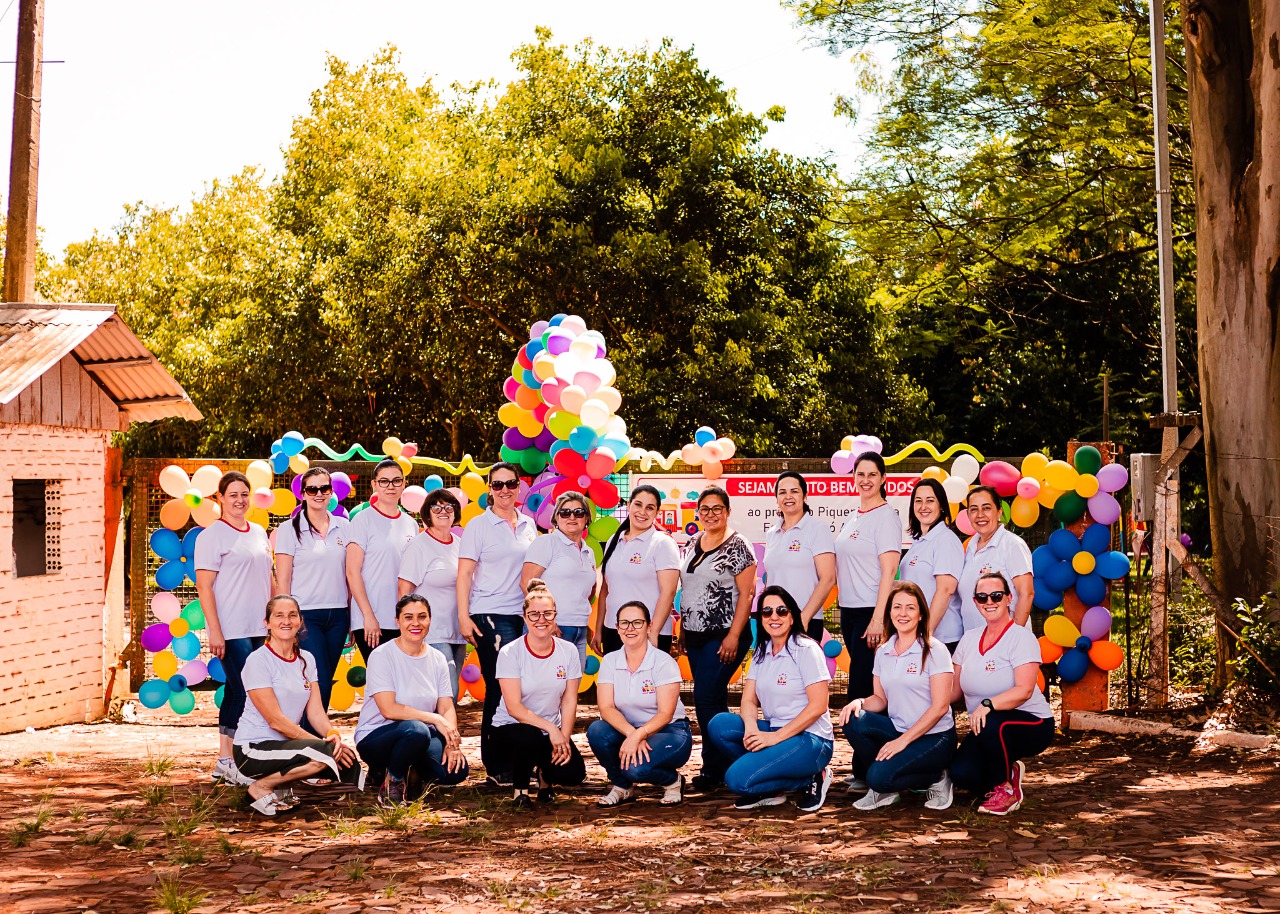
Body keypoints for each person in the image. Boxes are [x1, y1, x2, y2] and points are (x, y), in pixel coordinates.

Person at [705, 586, 835, 812]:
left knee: (737, 780)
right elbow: (748, 701)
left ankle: (813, 778)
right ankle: (770, 785)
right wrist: (751, 728)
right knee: (719, 725)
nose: (774, 617)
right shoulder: (762, 651)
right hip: (774, 730)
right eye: (767, 612)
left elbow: (819, 706)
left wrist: (773, 738)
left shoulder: (806, 649)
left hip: (810, 739)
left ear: (792, 616)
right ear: (761, 618)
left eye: (781, 611)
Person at [233, 596, 360, 816]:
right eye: (279, 615)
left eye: (292, 615)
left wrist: (333, 734)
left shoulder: (307, 659)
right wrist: (320, 744)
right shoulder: (258, 660)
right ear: (267, 623)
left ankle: (282, 786)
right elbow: (276, 721)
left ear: (300, 621)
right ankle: (261, 787)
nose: (286, 621)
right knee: (324, 754)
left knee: (345, 758)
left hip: (284, 747)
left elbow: (315, 711)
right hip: (252, 749)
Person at [840, 581, 957, 811]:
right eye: (897, 607)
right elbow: (880, 700)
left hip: (935, 737)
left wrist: (902, 742)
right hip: (898, 729)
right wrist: (859, 702)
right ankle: (887, 776)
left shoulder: (935, 649)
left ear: (921, 614)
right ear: (889, 612)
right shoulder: (883, 651)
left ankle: (937, 776)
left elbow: (941, 707)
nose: (903, 613)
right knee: (853, 719)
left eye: (911, 608)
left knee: (878, 779)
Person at [457, 462, 539, 786]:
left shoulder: (530, 525)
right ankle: (496, 765)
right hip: (489, 613)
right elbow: (464, 574)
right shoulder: (479, 526)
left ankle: (522, 758)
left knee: (523, 689)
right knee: (499, 687)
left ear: (519, 487)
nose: (505, 489)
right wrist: (464, 616)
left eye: (511, 484)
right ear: (489, 489)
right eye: (498, 484)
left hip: (524, 616)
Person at [950, 572, 1055, 815]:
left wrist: (988, 704)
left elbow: (1025, 690)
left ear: (1009, 598)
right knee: (961, 775)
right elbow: (953, 691)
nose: (990, 601)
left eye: (996, 595)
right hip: (985, 726)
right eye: (982, 597)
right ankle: (1008, 770)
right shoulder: (968, 639)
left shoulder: (1021, 637)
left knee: (991, 722)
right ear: (975, 602)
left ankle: (1006, 791)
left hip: (1033, 724)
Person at [195, 471, 274, 787]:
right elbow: (204, 587)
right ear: (220, 498)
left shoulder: (258, 532)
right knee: (241, 689)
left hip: (260, 627)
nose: (240, 500)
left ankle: (248, 754)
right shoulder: (210, 536)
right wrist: (215, 630)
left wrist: (276, 618)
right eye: (233, 495)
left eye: (245, 494)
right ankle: (225, 760)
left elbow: (267, 579)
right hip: (231, 629)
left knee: (260, 692)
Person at [677, 486, 757, 792]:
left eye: (717, 508)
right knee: (714, 698)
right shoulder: (693, 541)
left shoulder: (739, 546)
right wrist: (684, 627)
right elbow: (689, 589)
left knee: (706, 699)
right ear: (698, 512)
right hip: (696, 635)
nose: (711, 514)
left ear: (727, 511)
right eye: (705, 509)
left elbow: (746, 595)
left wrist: (734, 635)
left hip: (725, 635)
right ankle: (723, 765)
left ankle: (719, 766)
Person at [354, 594, 470, 806]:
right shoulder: (382, 656)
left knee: (456, 771)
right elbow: (389, 710)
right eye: (408, 617)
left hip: (421, 734)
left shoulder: (437, 658)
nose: (415, 623)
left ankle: (410, 769)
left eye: (422, 617)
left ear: (430, 620)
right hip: (377, 737)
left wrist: (452, 744)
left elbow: (446, 706)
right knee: (416, 730)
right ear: (397, 621)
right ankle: (394, 781)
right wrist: (434, 719)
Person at [489, 580, 586, 808]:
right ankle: (520, 791)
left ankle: (545, 779)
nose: (541, 620)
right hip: (510, 729)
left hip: (549, 733)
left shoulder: (568, 650)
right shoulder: (510, 652)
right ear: (524, 617)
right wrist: (551, 728)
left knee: (573, 774)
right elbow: (514, 708)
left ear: (556, 615)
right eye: (534, 614)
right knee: (529, 735)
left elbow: (570, 698)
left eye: (547, 614)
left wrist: (563, 736)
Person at [586, 600, 692, 807]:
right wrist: (632, 734)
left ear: (649, 626)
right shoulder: (610, 660)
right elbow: (606, 708)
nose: (630, 628)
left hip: (669, 731)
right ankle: (622, 787)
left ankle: (672, 782)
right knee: (597, 730)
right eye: (624, 623)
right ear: (617, 628)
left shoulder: (663, 662)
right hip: (628, 729)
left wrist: (639, 735)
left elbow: (665, 714)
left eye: (637, 622)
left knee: (635, 769)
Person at [274, 467, 351, 716]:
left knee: (325, 679)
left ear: (331, 492)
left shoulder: (344, 527)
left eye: (324, 488)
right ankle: (309, 741)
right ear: (302, 494)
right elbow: (283, 579)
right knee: (319, 679)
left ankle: (312, 741)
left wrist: (351, 616)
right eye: (312, 489)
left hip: (339, 615)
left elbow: (351, 575)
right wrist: (286, 619)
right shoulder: (289, 529)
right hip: (306, 616)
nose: (319, 493)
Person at [834, 451, 903, 699]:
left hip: (870, 611)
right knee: (865, 679)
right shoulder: (853, 517)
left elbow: (889, 571)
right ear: (853, 476)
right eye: (860, 474)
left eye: (872, 474)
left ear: (883, 478)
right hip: (849, 610)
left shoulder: (886, 517)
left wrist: (878, 619)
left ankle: (865, 735)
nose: (866, 480)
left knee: (860, 689)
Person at [593, 484, 680, 656]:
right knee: (617, 683)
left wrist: (652, 632)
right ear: (629, 505)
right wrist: (599, 628)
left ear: (657, 513)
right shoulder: (614, 540)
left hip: (647, 634)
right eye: (638, 504)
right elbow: (605, 589)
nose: (642, 512)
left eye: (650, 508)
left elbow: (668, 592)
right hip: (614, 629)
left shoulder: (662, 543)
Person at [346, 459, 419, 660]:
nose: (390, 486)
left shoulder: (410, 524)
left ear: (404, 483)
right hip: (372, 620)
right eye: (384, 481)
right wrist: (368, 616)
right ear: (374, 485)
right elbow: (352, 572)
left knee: (402, 683)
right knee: (382, 682)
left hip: (402, 620)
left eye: (396, 481)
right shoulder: (363, 520)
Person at [398, 488, 466, 697]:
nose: (443, 511)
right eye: (436, 507)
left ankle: (441, 729)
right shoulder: (419, 546)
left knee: (447, 694)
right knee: (448, 691)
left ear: (456, 512)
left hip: (457, 631)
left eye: (448, 506)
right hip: (432, 632)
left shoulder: (460, 545)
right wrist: (409, 632)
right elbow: (404, 592)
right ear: (427, 513)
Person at [522, 491, 598, 667]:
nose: (572, 517)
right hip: (549, 628)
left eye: (578, 512)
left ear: (587, 518)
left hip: (579, 629)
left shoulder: (589, 552)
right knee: (546, 688)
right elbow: (527, 583)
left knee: (572, 687)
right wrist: (545, 620)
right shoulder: (546, 543)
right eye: (565, 512)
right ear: (556, 517)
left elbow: (588, 590)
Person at [762, 471, 836, 640]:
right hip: (774, 621)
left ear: (805, 496)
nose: (788, 496)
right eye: (782, 492)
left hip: (805, 622)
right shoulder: (772, 533)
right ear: (776, 499)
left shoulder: (818, 530)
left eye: (794, 491)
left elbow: (828, 578)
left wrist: (804, 617)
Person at [898, 478, 965, 650]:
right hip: (916, 635)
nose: (923, 506)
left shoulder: (945, 540)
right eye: (918, 501)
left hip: (941, 639)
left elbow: (945, 589)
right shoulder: (919, 541)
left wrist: (926, 633)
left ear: (941, 505)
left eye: (930, 501)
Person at [957, 487, 1035, 632]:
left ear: (999, 512)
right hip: (975, 644)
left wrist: (1012, 637)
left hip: (1006, 645)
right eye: (974, 509)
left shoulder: (1012, 544)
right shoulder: (968, 548)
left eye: (986, 508)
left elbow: (1027, 593)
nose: (980, 515)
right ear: (968, 514)